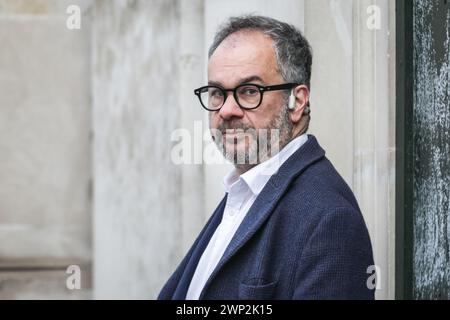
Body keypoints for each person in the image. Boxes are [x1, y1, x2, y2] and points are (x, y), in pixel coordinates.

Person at [158, 15, 375, 300]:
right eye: (216, 93)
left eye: (249, 91)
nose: (226, 110)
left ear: (297, 102)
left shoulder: (330, 221)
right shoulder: (244, 189)